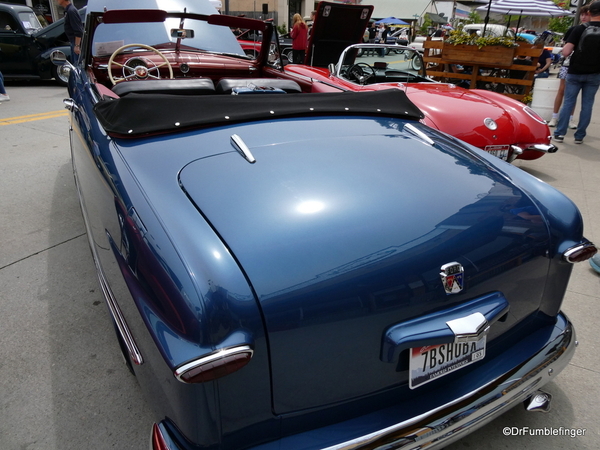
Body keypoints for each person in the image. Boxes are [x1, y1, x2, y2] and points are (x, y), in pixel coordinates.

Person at [553, 1, 600, 144]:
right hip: (595, 73)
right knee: (587, 105)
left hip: (575, 71)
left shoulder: (579, 29)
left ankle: (560, 133)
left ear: (590, 13)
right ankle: (579, 136)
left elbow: (566, 52)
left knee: (568, 102)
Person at [548, 5, 591, 128]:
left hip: (583, 65)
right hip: (568, 63)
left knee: (573, 94)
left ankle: (570, 119)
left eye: (586, 14)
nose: (583, 17)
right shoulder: (575, 29)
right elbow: (566, 47)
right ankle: (554, 117)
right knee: (562, 90)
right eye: (582, 14)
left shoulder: (593, 30)